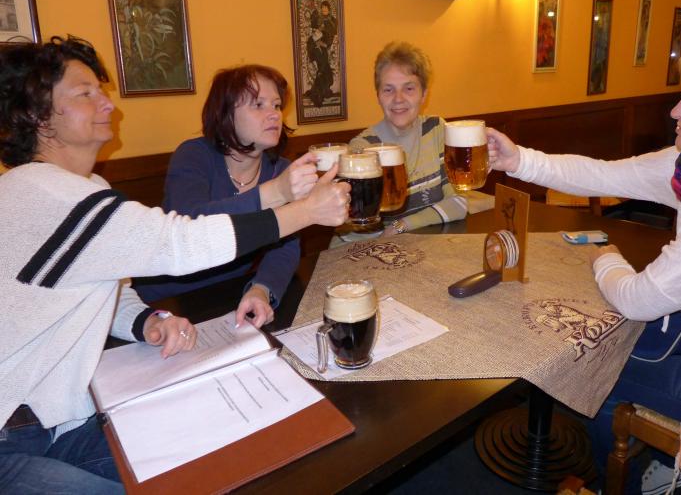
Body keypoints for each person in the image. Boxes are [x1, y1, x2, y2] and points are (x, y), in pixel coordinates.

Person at [0, 36, 349, 493]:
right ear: (38, 116)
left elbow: (109, 289)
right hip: (10, 432)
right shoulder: (41, 194)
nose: (107, 103)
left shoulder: (86, 188)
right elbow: (181, 242)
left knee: (213, 461)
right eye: (85, 93)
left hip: (62, 419)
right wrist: (302, 211)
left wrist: (148, 321)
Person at [488, 30, 681, 487]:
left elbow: (636, 300)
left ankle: (617, 483)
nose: (677, 110)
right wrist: (518, 159)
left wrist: (605, 257)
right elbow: (604, 175)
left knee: (594, 363)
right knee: (608, 343)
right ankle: (642, 457)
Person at [135, 65, 317, 328]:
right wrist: (273, 192)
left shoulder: (281, 169)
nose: (274, 114)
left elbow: (286, 246)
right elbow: (191, 223)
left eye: (276, 105)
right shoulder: (194, 155)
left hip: (226, 296)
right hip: (162, 303)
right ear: (226, 114)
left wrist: (262, 289)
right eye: (258, 105)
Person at [348, 41, 468, 237]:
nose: (398, 99)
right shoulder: (362, 149)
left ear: (424, 95)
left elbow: (458, 204)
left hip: (425, 243)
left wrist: (402, 225)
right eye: (388, 89)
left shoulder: (436, 129)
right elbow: (359, 230)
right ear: (378, 96)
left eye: (409, 88)